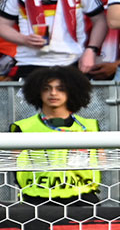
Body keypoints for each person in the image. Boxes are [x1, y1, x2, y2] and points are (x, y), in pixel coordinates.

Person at [0, 0, 109, 79]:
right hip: (29, 61)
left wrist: (91, 50)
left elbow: (100, 21)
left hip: (71, 60)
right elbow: (2, 26)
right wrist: (24, 39)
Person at [10, 66, 102, 206]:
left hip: (82, 201)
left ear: (72, 91)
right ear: (37, 91)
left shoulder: (90, 127)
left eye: (60, 89)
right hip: (36, 201)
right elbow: (13, 164)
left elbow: (102, 162)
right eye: (46, 88)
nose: (53, 93)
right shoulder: (23, 127)